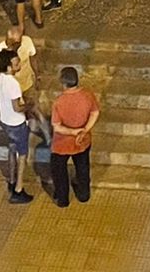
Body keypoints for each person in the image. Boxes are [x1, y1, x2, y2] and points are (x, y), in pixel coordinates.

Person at [48, 66, 100, 206]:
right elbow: (95, 113)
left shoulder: (59, 102)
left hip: (62, 143)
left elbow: (57, 126)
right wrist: (84, 130)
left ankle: (62, 198)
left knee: (59, 170)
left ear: (63, 82)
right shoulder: (88, 95)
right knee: (82, 167)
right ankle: (84, 195)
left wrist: (73, 132)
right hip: (83, 140)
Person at [0, 47, 35, 203]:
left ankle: (11, 179)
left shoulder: (0, 78)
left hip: (5, 121)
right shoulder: (13, 84)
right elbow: (17, 107)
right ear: (9, 66)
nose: (19, 65)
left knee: (11, 149)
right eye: (16, 63)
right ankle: (19, 188)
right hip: (17, 123)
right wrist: (29, 106)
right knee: (22, 155)